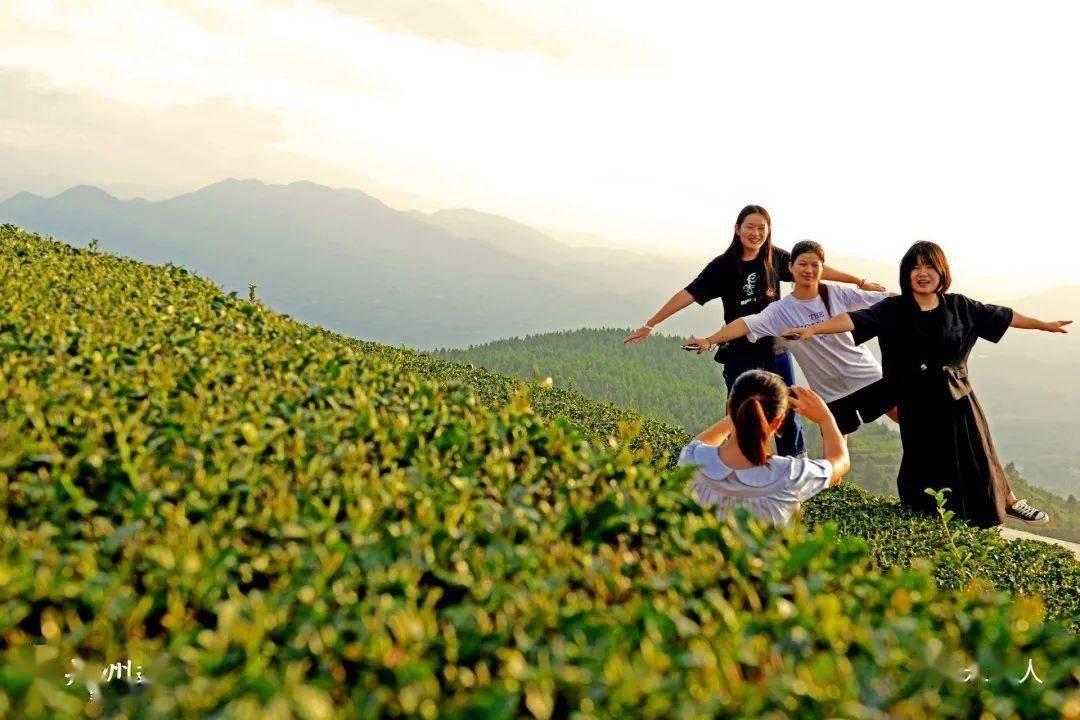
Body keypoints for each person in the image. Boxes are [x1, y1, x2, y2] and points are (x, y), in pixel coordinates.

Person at [784, 241, 1070, 527]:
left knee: (978, 454)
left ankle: (1008, 503)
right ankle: (929, 521)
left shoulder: (959, 305)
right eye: (915, 267)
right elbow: (854, 320)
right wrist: (815, 329)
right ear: (906, 274)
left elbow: (1001, 315)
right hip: (915, 401)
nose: (922, 273)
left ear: (942, 271)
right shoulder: (895, 308)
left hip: (957, 396)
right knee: (924, 464)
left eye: (929, 266)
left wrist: (1042, 325)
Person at [624, 204, 884, 457]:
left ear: (769, 231)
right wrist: (652, 323)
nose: (756, 233)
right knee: (740, 412)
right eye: (750, 227)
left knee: (788, 408)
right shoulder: (723, 266)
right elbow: (689, 293)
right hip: (739, 350)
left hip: (776, 349)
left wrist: (859, 282)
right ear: (737, 229)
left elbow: (814, 268)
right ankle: (737, 461)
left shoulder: (775, 258)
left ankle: (794, 463)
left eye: (762, 228)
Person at [683, 240, 898, 436]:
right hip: (830, 391)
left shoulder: (838, 294)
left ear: (823, 269)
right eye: (803, 264)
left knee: (907, 421)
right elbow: (744, 323)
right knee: (836, 449)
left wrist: (923, 297)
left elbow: (886, 301)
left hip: (865, 375)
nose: (809, 270)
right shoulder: (780, 311)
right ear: (790, 267)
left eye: (815, 265)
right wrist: (710, 340)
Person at [678, 369, 850, 528]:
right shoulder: (790, 475)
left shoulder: (694, 459)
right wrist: (825, 418)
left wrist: (737, 416)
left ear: (729, 409)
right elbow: (840, 462)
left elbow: (700, 443)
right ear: (779, 422)